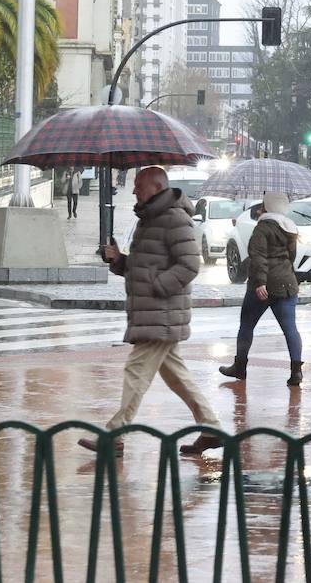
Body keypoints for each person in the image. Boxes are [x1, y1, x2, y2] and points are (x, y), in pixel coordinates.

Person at [80, 167, 222, 457]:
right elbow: (145, 266)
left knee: (136, 371)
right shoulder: (149, 220)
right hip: (154, 313)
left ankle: (114, 435)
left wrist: (158, 287)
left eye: (139, 186)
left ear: (157, 187)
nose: (134, 191)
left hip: (162, 312)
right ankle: (211, 429)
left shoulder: (175, 219)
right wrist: (119, 261)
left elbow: (189, 265)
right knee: (177, 376)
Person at [219, 191, 304, 386]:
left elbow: (258, 257)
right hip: (287, 285)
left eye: (263, 205)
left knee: (246, 326)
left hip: (263, 287)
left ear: (267, 207)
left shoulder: (262, 228)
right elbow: (291, 257)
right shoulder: (290, 228)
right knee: (291, 329)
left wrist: (260, 283)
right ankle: (296, 371)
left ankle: (239, 367)